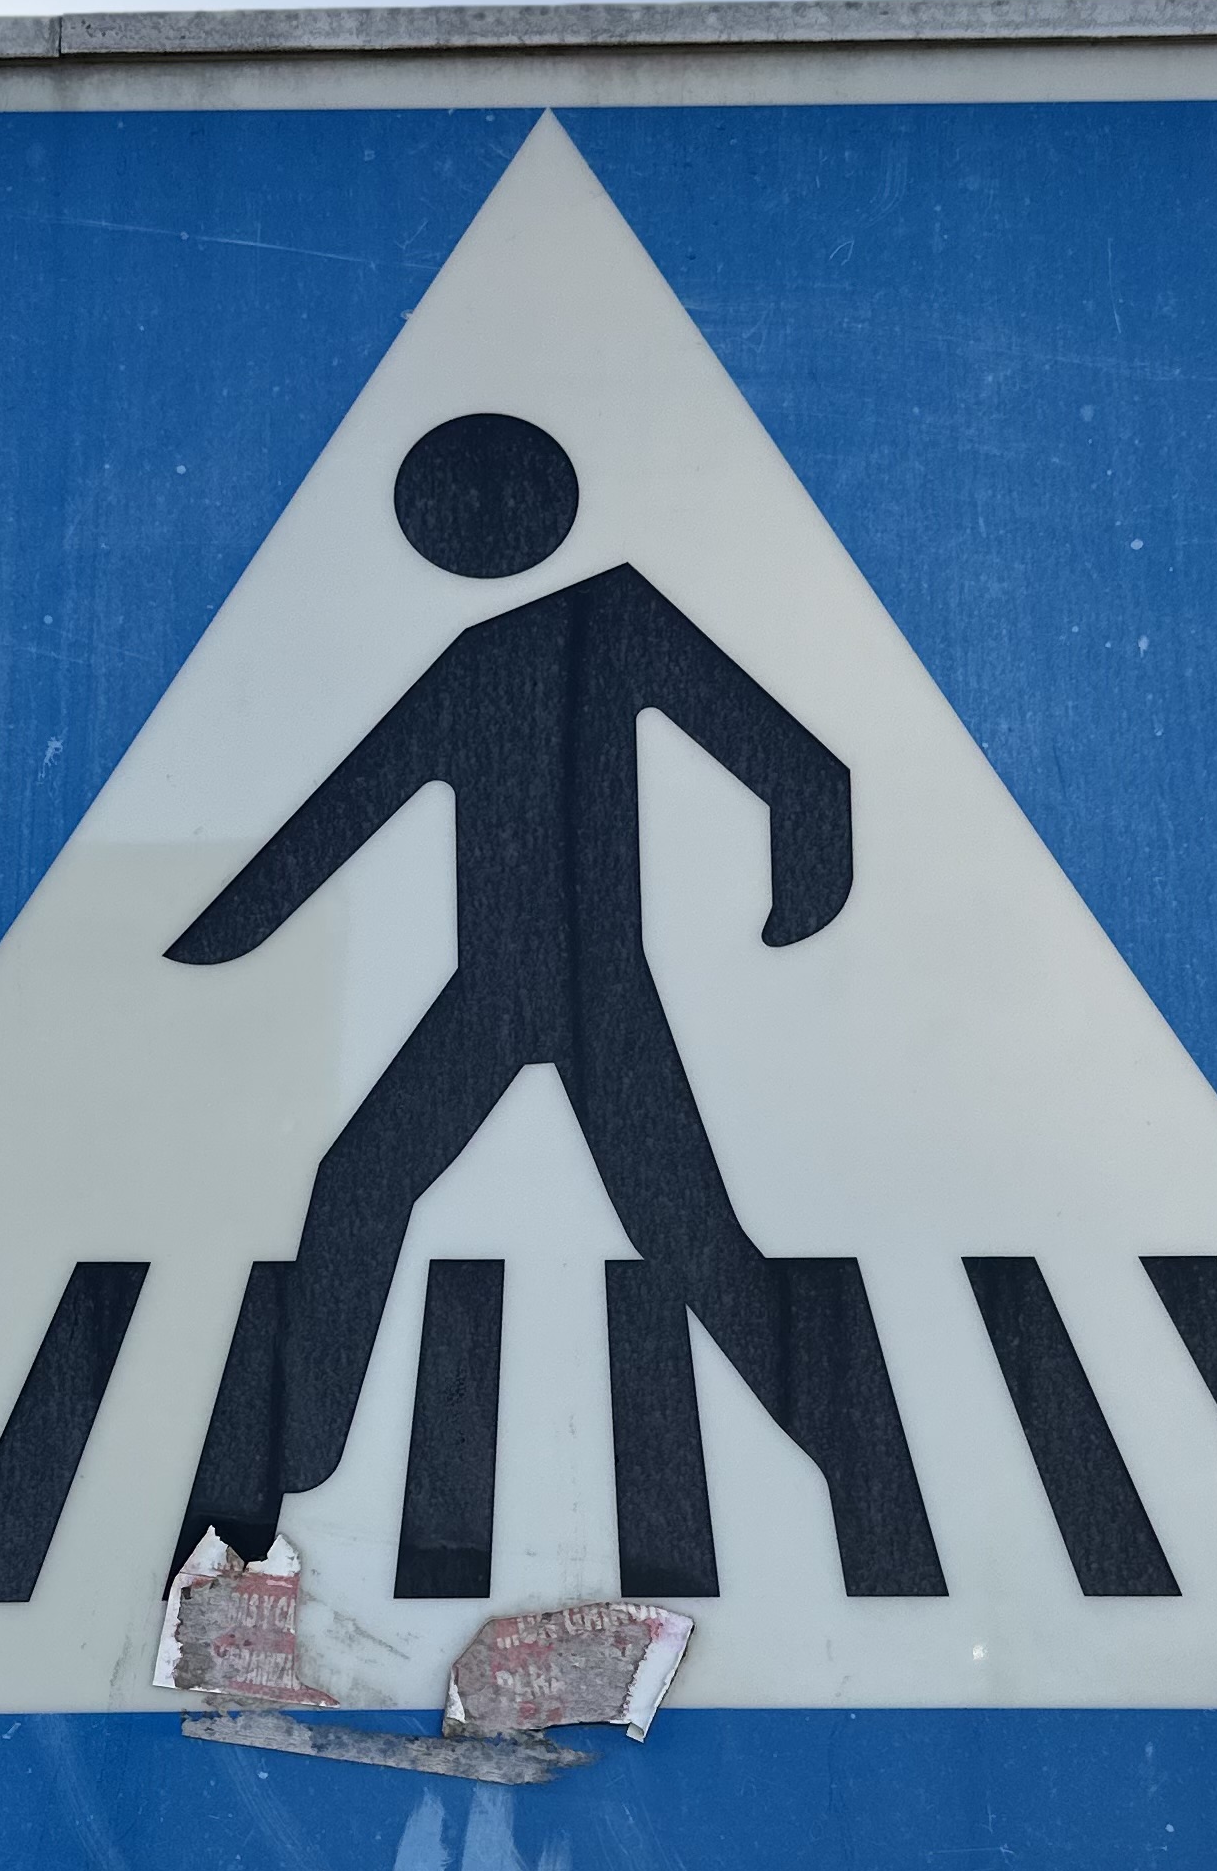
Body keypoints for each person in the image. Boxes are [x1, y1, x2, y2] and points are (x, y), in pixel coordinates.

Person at [167, 413, 942, 1593]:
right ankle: (276, 1491)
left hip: (592, 994)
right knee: (361, 1185)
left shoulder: (612, 619)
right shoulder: (483, 661)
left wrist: (802, 896)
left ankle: (868, 1486)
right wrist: (212, 941)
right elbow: (345, 813)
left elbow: (797, 767)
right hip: (498, 989)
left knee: (685, 1242)